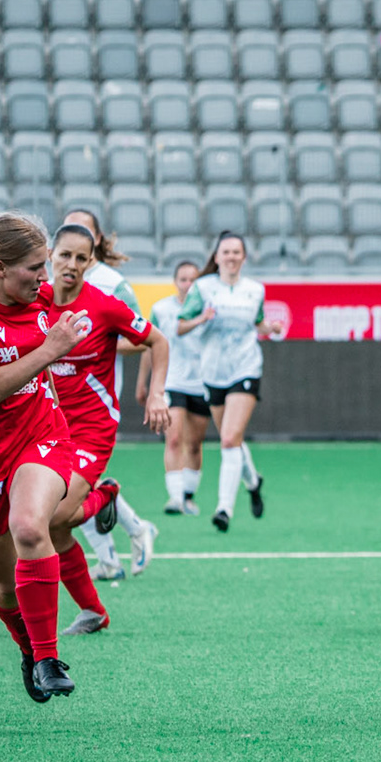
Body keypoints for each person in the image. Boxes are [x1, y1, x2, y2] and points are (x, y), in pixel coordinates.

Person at [0, 213, 118, 702]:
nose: (46, 277)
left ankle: (47, 656)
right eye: (35, 268)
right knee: (2, 587)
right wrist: (49, 350)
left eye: (47, 265)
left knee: (33, 528)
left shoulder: (40, 300)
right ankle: (28, 650)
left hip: (42, 438)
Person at [45, 224, 171, 636]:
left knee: (58, 516)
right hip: (46, 427)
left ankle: (106, 495)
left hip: (92, 428)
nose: (72, 265)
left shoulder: (103, 305)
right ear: (51, 254)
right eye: (65, 255)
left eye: (82, 258)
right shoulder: (34, 302)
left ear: (91, 261)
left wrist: (156, 395)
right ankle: (93, 612)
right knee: (48, 524)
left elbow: (158, 341)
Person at [60, 208, 158, 578]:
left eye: (84, 233)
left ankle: (110, 555)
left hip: (93, 399)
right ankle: (124, 542)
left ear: (96, 240)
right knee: (62, 487)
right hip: (55, 400)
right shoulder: (50, 281)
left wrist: (87, 344)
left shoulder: (111, 284)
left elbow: (142, 339)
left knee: (65, 490)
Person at [179, 232, 285, 531]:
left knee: (228, 439)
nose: (231, 257)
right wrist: (201, 319)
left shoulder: (255, 290)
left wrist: (271, 328)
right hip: (212, 371)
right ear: (217, 257)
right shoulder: (202, 288)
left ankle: (224, 508)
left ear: (244, 257)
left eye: (237, 252)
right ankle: (253, 481)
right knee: (232, 437)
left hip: (246, 368)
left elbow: (259, 322)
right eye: (226, 252)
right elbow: (181, 325)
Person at [148, 260, 209, 516]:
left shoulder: (209, 309)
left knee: (194, 444)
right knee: (174, 439)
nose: (188, 284)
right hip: (172, 382)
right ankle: (174, 498)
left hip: (202, 383)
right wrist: (147, 384)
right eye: (183, 279)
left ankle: (188, 495)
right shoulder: (161, 309)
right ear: (175, 282)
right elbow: (148, 345)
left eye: (193, 280)